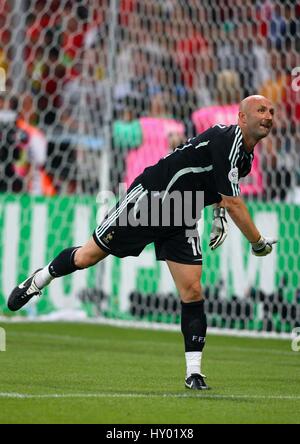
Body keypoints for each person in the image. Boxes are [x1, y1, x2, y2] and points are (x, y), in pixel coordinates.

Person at [7, 95, 277, 390]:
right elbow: (233, 201)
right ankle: (38, 280)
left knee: (193, 289)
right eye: (261, 110)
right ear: (242, 117)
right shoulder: (226, 140)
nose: (268, 116)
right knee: (87, 257)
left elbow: (218, 190)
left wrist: (218, 217)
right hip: (150, 199)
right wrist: (258, 242)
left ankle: (194, 373)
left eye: (271, 111)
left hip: (182, 214)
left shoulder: (245, 159)